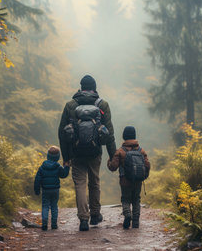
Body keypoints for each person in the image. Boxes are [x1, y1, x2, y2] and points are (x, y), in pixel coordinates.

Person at [58, 75, 116, 231]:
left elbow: (62, 133)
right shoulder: (102, 104)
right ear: (94, 87)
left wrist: (66, 157)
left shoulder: (71, 105)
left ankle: (83, 219)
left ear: (81, 87)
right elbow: (109, 134)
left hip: (76, 152)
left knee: (80, 184)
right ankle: (95, 215)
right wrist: (113, 156)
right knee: (94, 181)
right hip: (95, 151)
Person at [108, 126, 150, 229]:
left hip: (124, 181)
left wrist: (109, 160)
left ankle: (127, 215)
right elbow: (147, 165)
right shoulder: (141, 151)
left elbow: (113, 167)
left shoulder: (120, 151)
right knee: (136, 200)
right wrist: (144, 176)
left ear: (124, 137)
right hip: (138, 181)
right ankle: (135, 222)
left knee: (125, 199)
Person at [34, 146, 70, 231]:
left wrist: (37, 190)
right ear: (58, 157)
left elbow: (37, 179)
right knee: (54, 207)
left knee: (45, 206)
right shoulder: (58, 167)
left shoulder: (42, 167)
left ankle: (45, 224)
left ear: (48, 156)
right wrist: (67, 166)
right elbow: (64, 175)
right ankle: (54, 225)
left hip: (45, 190)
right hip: (55, 190)